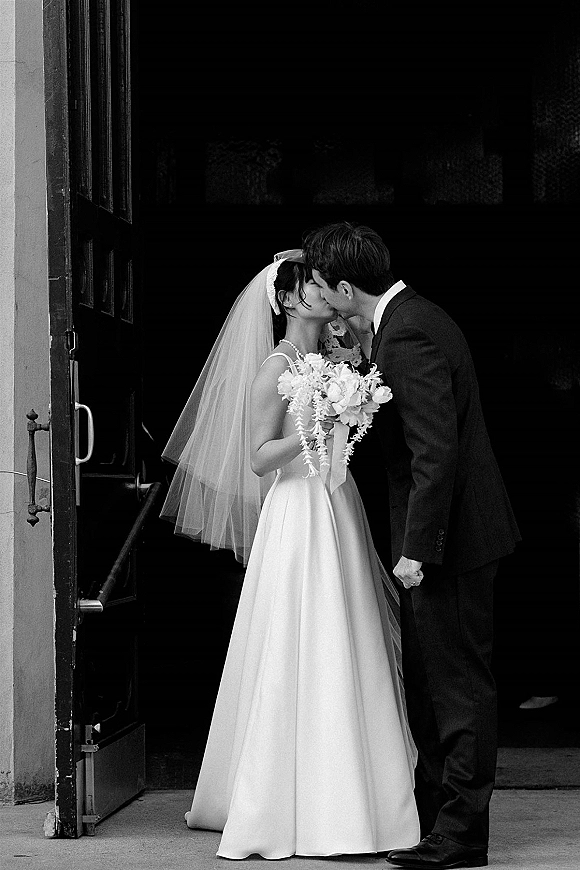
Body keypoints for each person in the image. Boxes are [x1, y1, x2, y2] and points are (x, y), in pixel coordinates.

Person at [160, 250, 420, 859]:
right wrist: (318, 428)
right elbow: (258, 457)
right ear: (286, 301)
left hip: (338, 505)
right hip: (297, 509)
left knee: (349, 629)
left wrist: (344, 408)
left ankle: (362, 793)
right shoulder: (275, 366)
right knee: (300, 638)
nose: (321, 293)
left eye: (321, 285)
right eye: (308, 287)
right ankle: (284, 798)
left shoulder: (334, 359)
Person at [303, 222, 521, 870]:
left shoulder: (409, 332)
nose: (317, 296)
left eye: (320, 284)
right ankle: (437, 823)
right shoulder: (404, 321)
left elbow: (436, 453)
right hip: (451, 538)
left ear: (346, 287)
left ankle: (460, 837)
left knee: (459, 689)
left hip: (453, 544)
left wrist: (418, 551)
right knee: (433, 684)